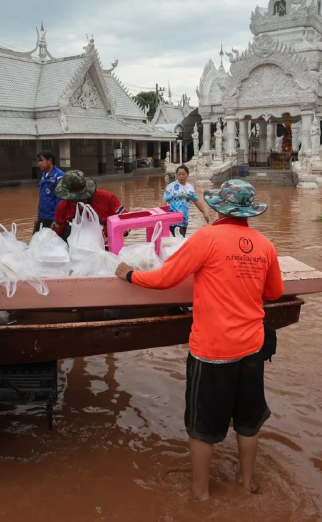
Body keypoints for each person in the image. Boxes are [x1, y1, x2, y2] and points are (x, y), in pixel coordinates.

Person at [116, 180, 284, 500]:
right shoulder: (264, 245)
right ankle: (247, 483)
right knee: (248, 420)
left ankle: (200, 494)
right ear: (249, 212)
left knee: (202, 425)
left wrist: (128, 274)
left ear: (219, 207)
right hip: (252, 347)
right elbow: (274, 292)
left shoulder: (206, 237)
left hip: (213, 350)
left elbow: (165, 278)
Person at [51, 170, 124, 242]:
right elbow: (55, 234)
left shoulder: (108, 199)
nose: (78, 203)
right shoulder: (62, 207)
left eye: (81, 199)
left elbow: (126, 223)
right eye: (73, 200)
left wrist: (109, 239)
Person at [163, 165, 215, 236]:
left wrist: (204, 212)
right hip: (173, 219)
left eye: (183, 174)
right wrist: (163, 216)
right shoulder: (171, 187)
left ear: (187, 175)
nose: (181, 176)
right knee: (178, 240)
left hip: (184, 219)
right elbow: (164, 199)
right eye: (179, 174)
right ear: (176, 175)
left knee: (181, 238)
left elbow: (196, 201)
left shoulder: (189, 187)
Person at [35, 150, 64, 233]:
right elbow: (43, 198)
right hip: (42, 216)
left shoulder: (59, 176)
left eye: (41, 161)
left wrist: (56, 220)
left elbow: (60, 200)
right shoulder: (44, 174)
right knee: (36, 240)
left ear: (50, 161)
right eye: (38, 161)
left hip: (51, 218)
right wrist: (38, 216)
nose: (39, 163)